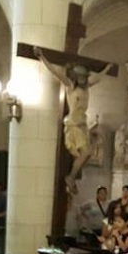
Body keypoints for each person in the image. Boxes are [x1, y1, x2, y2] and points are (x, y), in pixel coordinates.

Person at [37, 48, 112, 194]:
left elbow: (98, 78)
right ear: (76, 77)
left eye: (85, 77)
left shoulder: (87, 87)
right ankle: (70, 177)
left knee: (88, 153)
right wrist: (42, 57)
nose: (84, 79)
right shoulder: (70, 87)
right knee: (85, 152)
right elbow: (55, 72)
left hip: (82, 123)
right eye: (81, 77)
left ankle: (72, 176)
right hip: (74, 124)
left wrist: (107, 68)